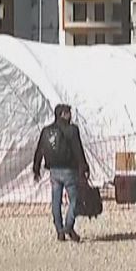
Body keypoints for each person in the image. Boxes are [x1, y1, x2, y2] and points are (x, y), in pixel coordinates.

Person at [32, 103, 90, 243]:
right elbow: (78, 149)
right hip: (69, 170)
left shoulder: (46, 131)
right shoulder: (72, 130)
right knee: (75, 200)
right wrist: (84, 167)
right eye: (68, 112)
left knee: (56, 201)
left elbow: (40, 149)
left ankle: (59, 230)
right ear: (63, 114)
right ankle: (69, 225)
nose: (71, 115)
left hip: (53, 171)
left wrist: (36, 168)